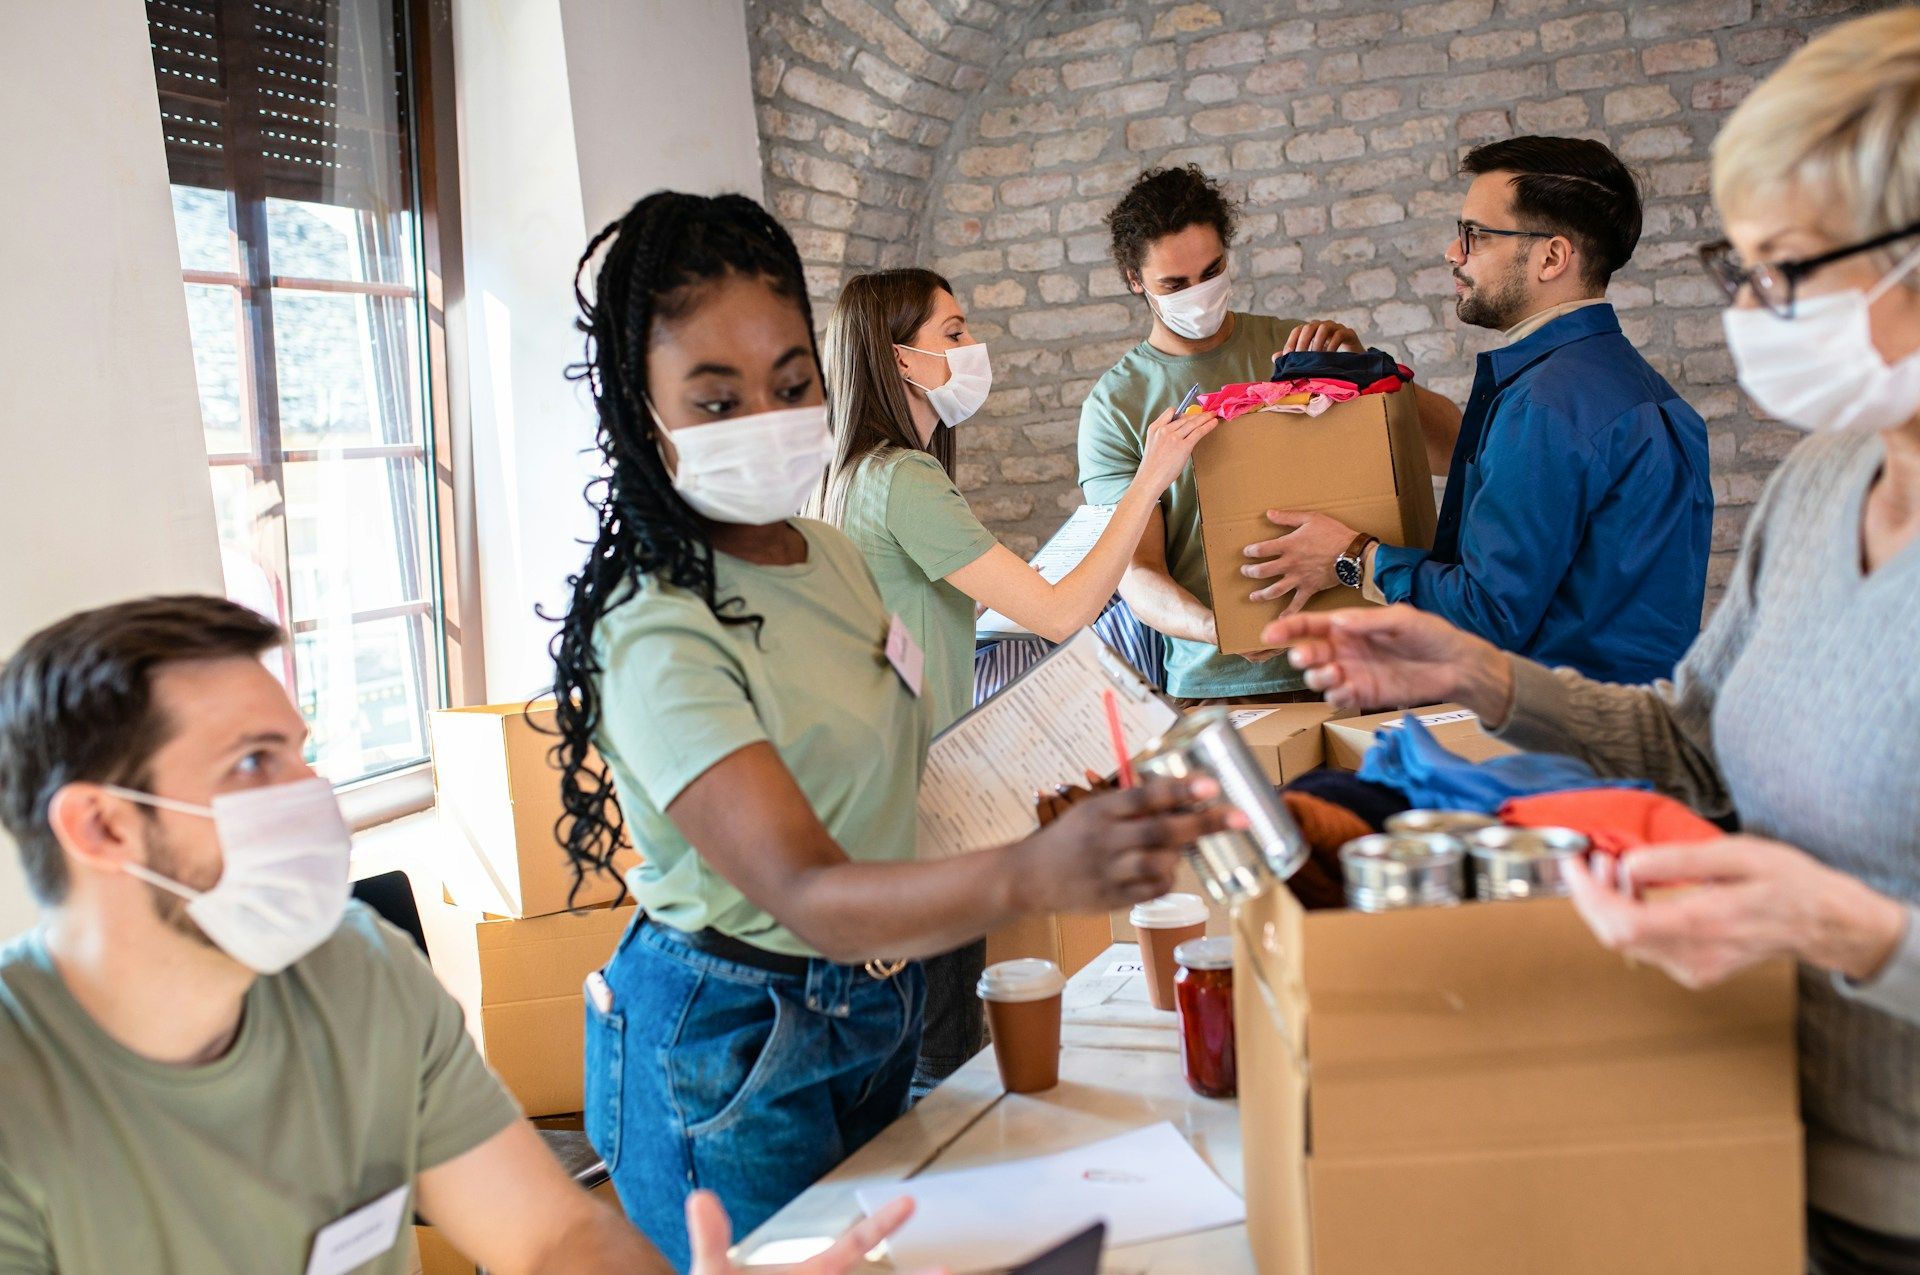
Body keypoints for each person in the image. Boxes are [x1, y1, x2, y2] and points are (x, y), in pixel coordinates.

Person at [1267, 11, 1920, 1265]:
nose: (1754, 308)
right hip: (1751, 1125)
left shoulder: (1581, 400)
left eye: (1788, 269)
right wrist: (1480, 673)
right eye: (1742, 267)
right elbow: (1691, 740)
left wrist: (1849, 929)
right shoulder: (1824, 485)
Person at [549, 190, 1239, 1267]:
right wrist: (1030, 871)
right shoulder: (655, 625)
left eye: (791, 385)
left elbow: (897, 758)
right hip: (729, 1040)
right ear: (643, 411)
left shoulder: (825, 558)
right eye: (716, 400)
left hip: (874, 999)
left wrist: (1063, 788)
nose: (771, 421)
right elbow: (809, 893)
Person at [0, 595, 912, 1275]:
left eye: (298, 751)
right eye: (253, 763)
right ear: (104, 828)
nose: (311, 795)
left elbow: (553, 1235)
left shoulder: (356, 968)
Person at [817, 267, 1220, 1092]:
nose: (973, 349)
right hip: (922, 811)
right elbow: (1062, 612)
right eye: (954, 334)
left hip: (882, 800)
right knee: (945, 1065)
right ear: (901, 361)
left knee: (922, 1050)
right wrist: (1151, 477)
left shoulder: (856, 476)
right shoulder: (904, 477)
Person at [1244, 137, 1713, 686]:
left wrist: (1351, 557)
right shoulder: (1635, 388)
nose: (1453, 253)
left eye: (1476, 236)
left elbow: (1486, 618)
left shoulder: (1546, 403)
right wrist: (1371, 379)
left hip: (1556, 747)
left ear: (1552, 257)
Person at [1078, 164, 1461, 702]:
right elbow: (1136, 571)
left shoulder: (1299, 347)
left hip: (1366, 663)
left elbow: (1452, 452)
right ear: (1134, 279)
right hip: (1229, 683)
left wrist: (1370, 371)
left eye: (1212, 272)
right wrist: (1218, 630)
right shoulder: (1116, 406)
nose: (1200, 295)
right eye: (1175, 284)